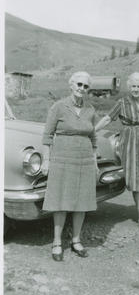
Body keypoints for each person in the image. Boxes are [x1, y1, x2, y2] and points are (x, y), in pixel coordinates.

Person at [41, 71, 99, 261]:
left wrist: (95, 160)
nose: (82, 88)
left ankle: (76, 240)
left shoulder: (90, 109)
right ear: (71, 85)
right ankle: (57, 242)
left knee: (81, 201)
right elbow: (47, 136)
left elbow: (93, 137)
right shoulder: (58, 107)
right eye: (79, 84)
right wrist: (47, 160)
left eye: (86, 86)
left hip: (84, 160)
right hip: (62, 159)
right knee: (61, 201)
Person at [95, 72, 139, 230]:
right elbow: (108, 118)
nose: (136, 89)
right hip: (130, 142)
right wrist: (93, 130)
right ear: (129, 87)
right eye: (133, 86)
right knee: (137, 179)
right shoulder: (122, 102)